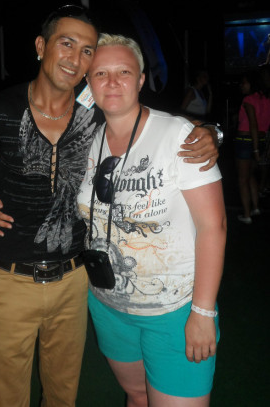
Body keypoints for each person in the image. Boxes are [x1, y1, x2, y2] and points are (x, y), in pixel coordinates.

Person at [0, 4, 220, 407]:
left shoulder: (95, 116)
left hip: (77, 280)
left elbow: (156, 122)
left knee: (63, 395)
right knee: (7, 396)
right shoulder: (4, 109)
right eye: (67, 44)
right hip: (20, 281)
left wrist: (210, 131)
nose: (75, 58)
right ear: (41, 46)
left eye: (86, 51)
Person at [75, 33, 227, 407]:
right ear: (89, 83)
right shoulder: (85, 140)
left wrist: (203, 311)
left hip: (174, 311)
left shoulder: (178, 135)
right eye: (100, 73)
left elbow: (213, 227)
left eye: (124, 72)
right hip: (108, 304)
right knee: (138, 395)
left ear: (141, 79)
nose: (112, 82)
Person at [235, 66, 270, 224]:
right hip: (260, 141)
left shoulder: (249, 100)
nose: (241, 85)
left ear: (252, 83)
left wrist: (255, 149)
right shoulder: (267, 99)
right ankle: (255, 207)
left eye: (244, 83)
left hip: (246, 142)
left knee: (243, 179)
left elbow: (253, 124)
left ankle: (247, 215)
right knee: (251, 176)